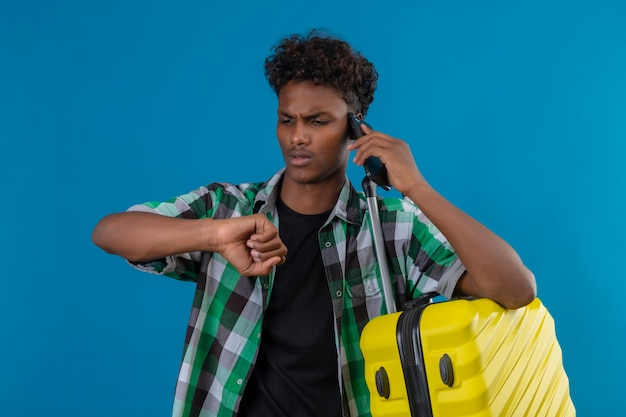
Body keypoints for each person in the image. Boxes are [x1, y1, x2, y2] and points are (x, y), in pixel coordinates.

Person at [92, 29, 536, 417]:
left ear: (356, 131)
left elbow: (514, 289)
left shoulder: (392, 227)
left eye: (318, 121)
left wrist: (416, 186)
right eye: (287, 120)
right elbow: (112, 232)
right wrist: (214, 233)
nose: (297, 136)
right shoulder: (228, 207)